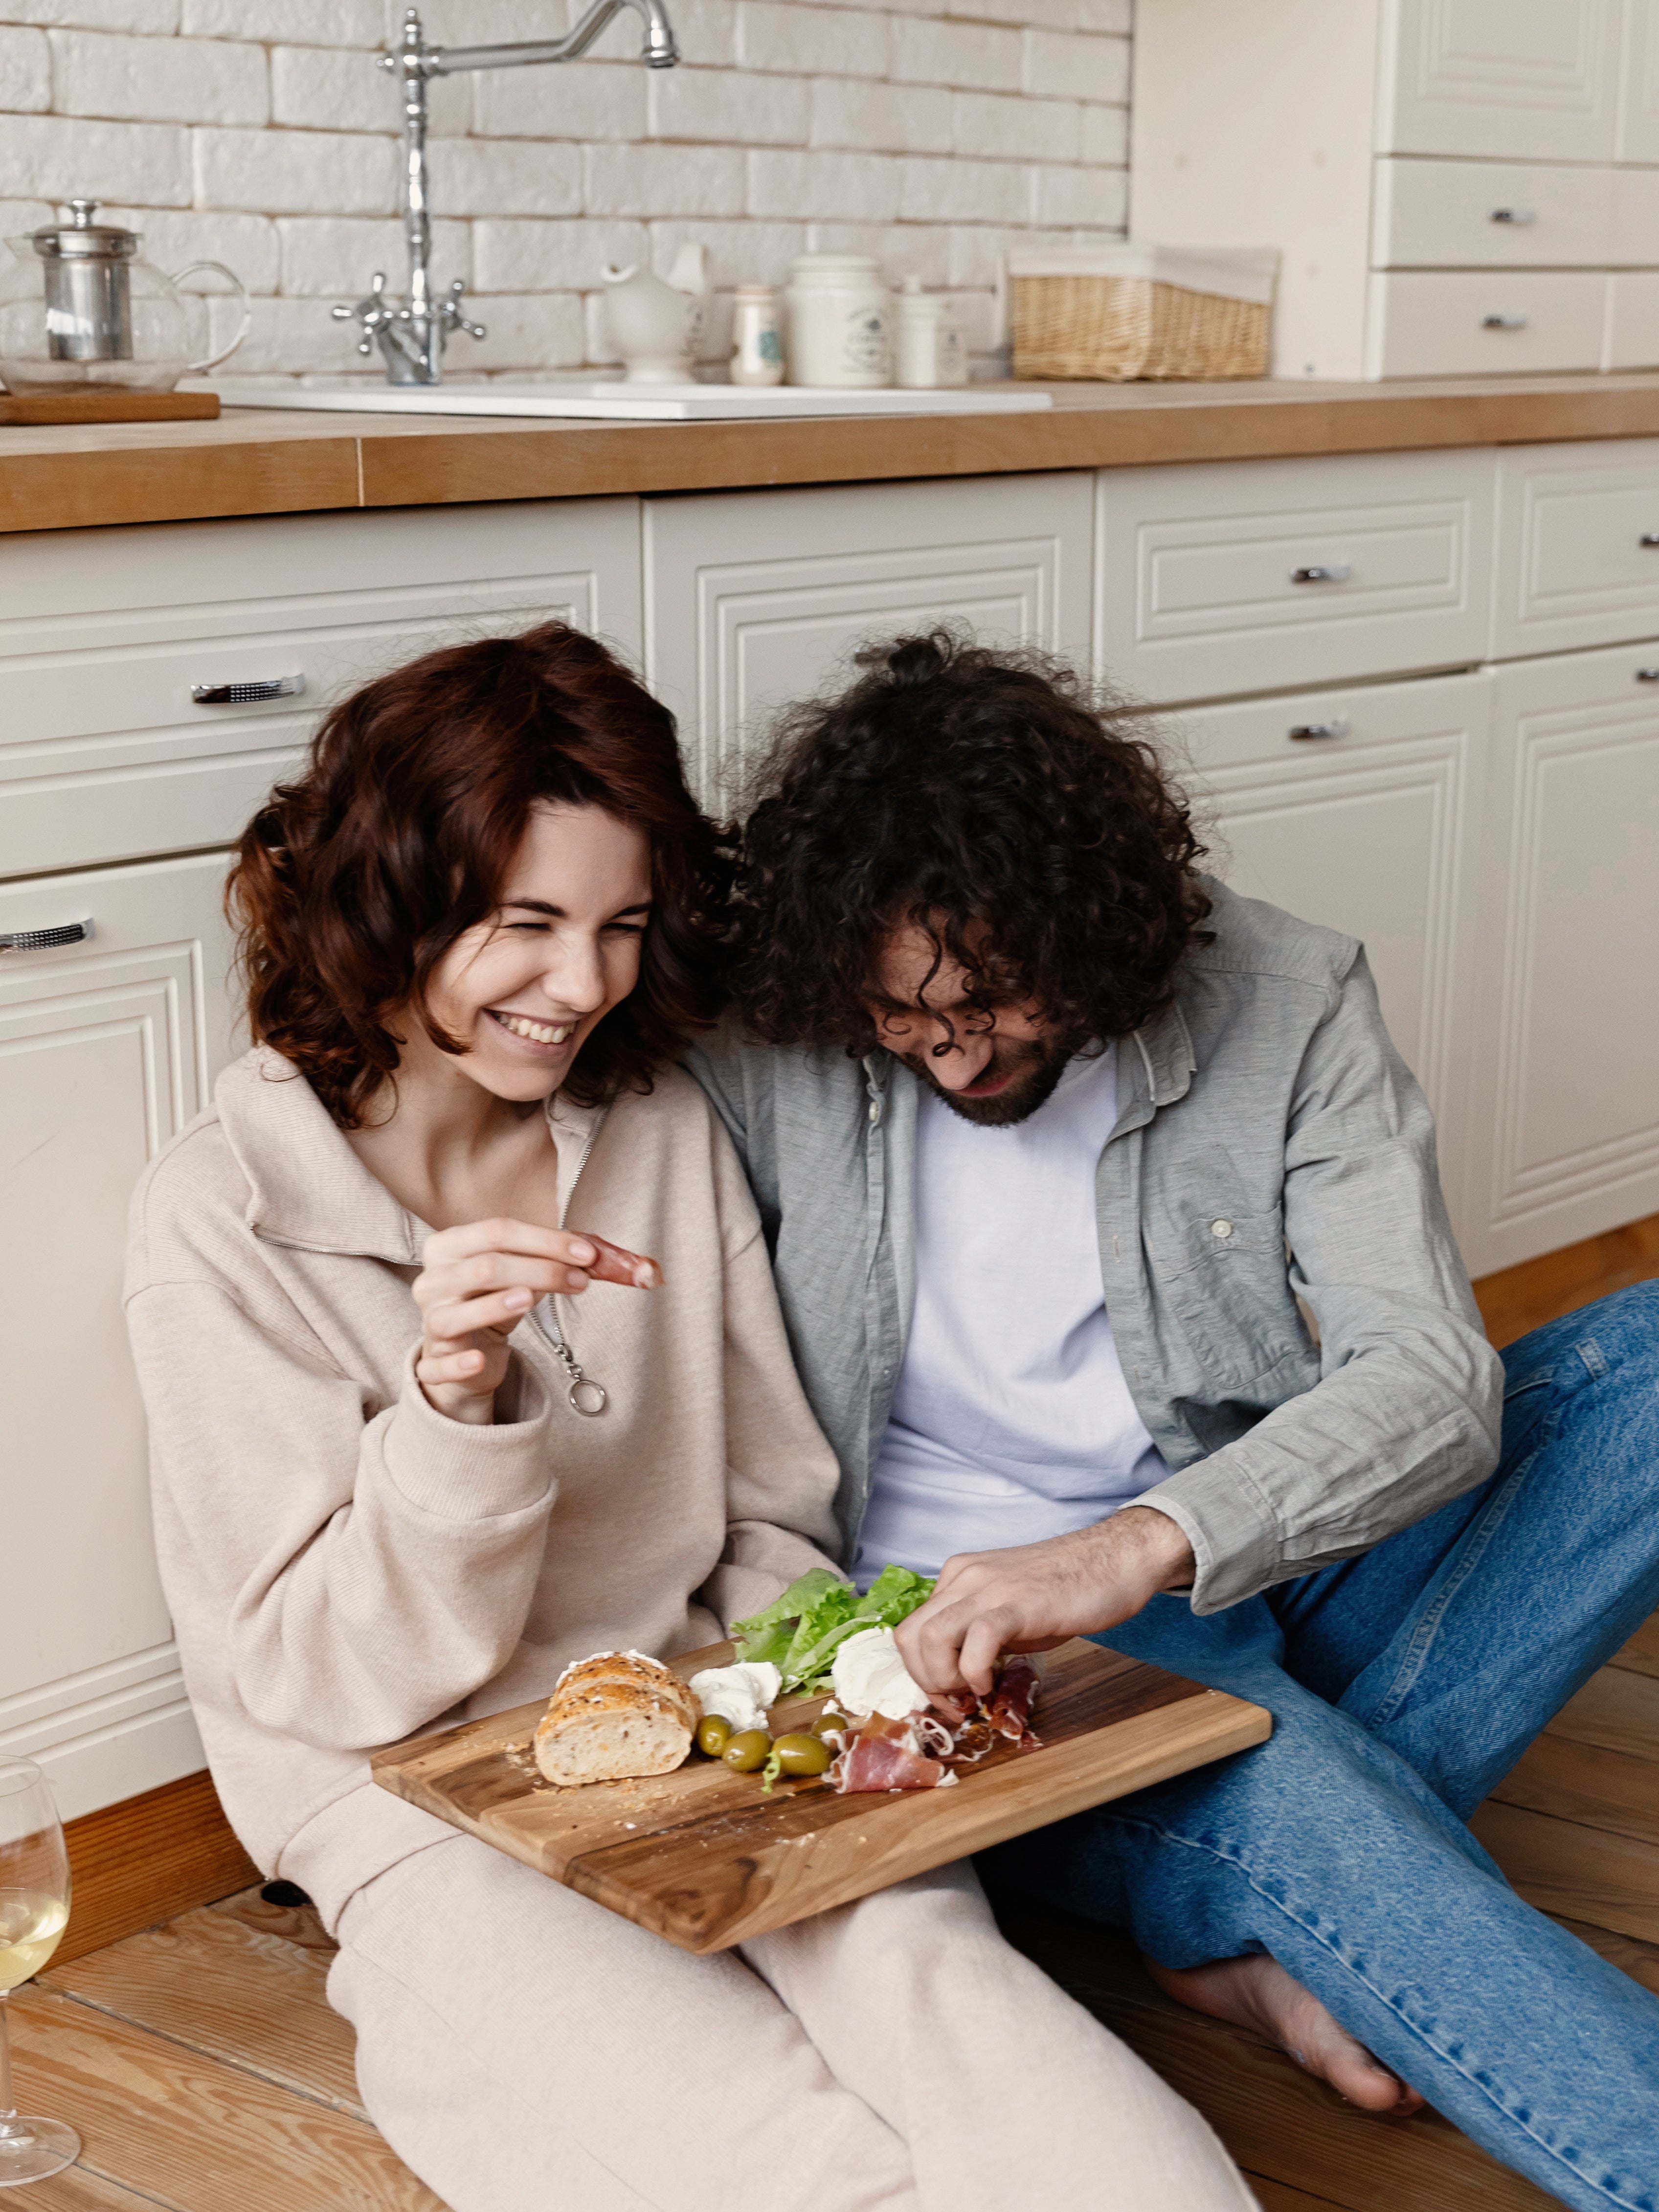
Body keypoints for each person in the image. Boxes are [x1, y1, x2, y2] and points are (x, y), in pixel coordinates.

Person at [122, 622, 1256, 2212]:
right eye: (525, 922)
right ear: (390, 898)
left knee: (984, 2029)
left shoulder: (651, 1118)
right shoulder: (225, 1219)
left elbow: (771, 1497)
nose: (581, 983)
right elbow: (321, 1684)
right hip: (420, 1803)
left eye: (622, 926)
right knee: (791, 2167)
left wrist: (813, 1708)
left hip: (729, 1720)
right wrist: (457, 1408)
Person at [691, 629, 1659, 2212]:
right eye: (903, 1017)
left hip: (1227, 1554)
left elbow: (1427, 1378)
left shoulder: (1285, 1000)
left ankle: (1220, 1893)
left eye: (994, 1004)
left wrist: (1137, 1546)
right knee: (1285, 1775)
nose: (950, 1053)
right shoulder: (770, 1040)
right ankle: (1251, 1867)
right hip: (985, 1657)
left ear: (1095, 926)